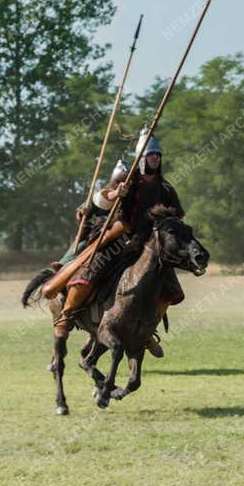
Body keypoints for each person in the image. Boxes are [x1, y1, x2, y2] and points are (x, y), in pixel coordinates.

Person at [55, 132, 185, 357]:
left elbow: (177, 216)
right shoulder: (127, 178)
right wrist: (117, 193)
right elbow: (102, 197)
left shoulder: (166, 188)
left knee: (170, 290)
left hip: (150, 244)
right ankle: (67, 316)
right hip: (120, 241)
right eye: (151, 155)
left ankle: (146, 334)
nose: (155, 158)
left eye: (157, 155)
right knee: (89, 273)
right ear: (142, 158)